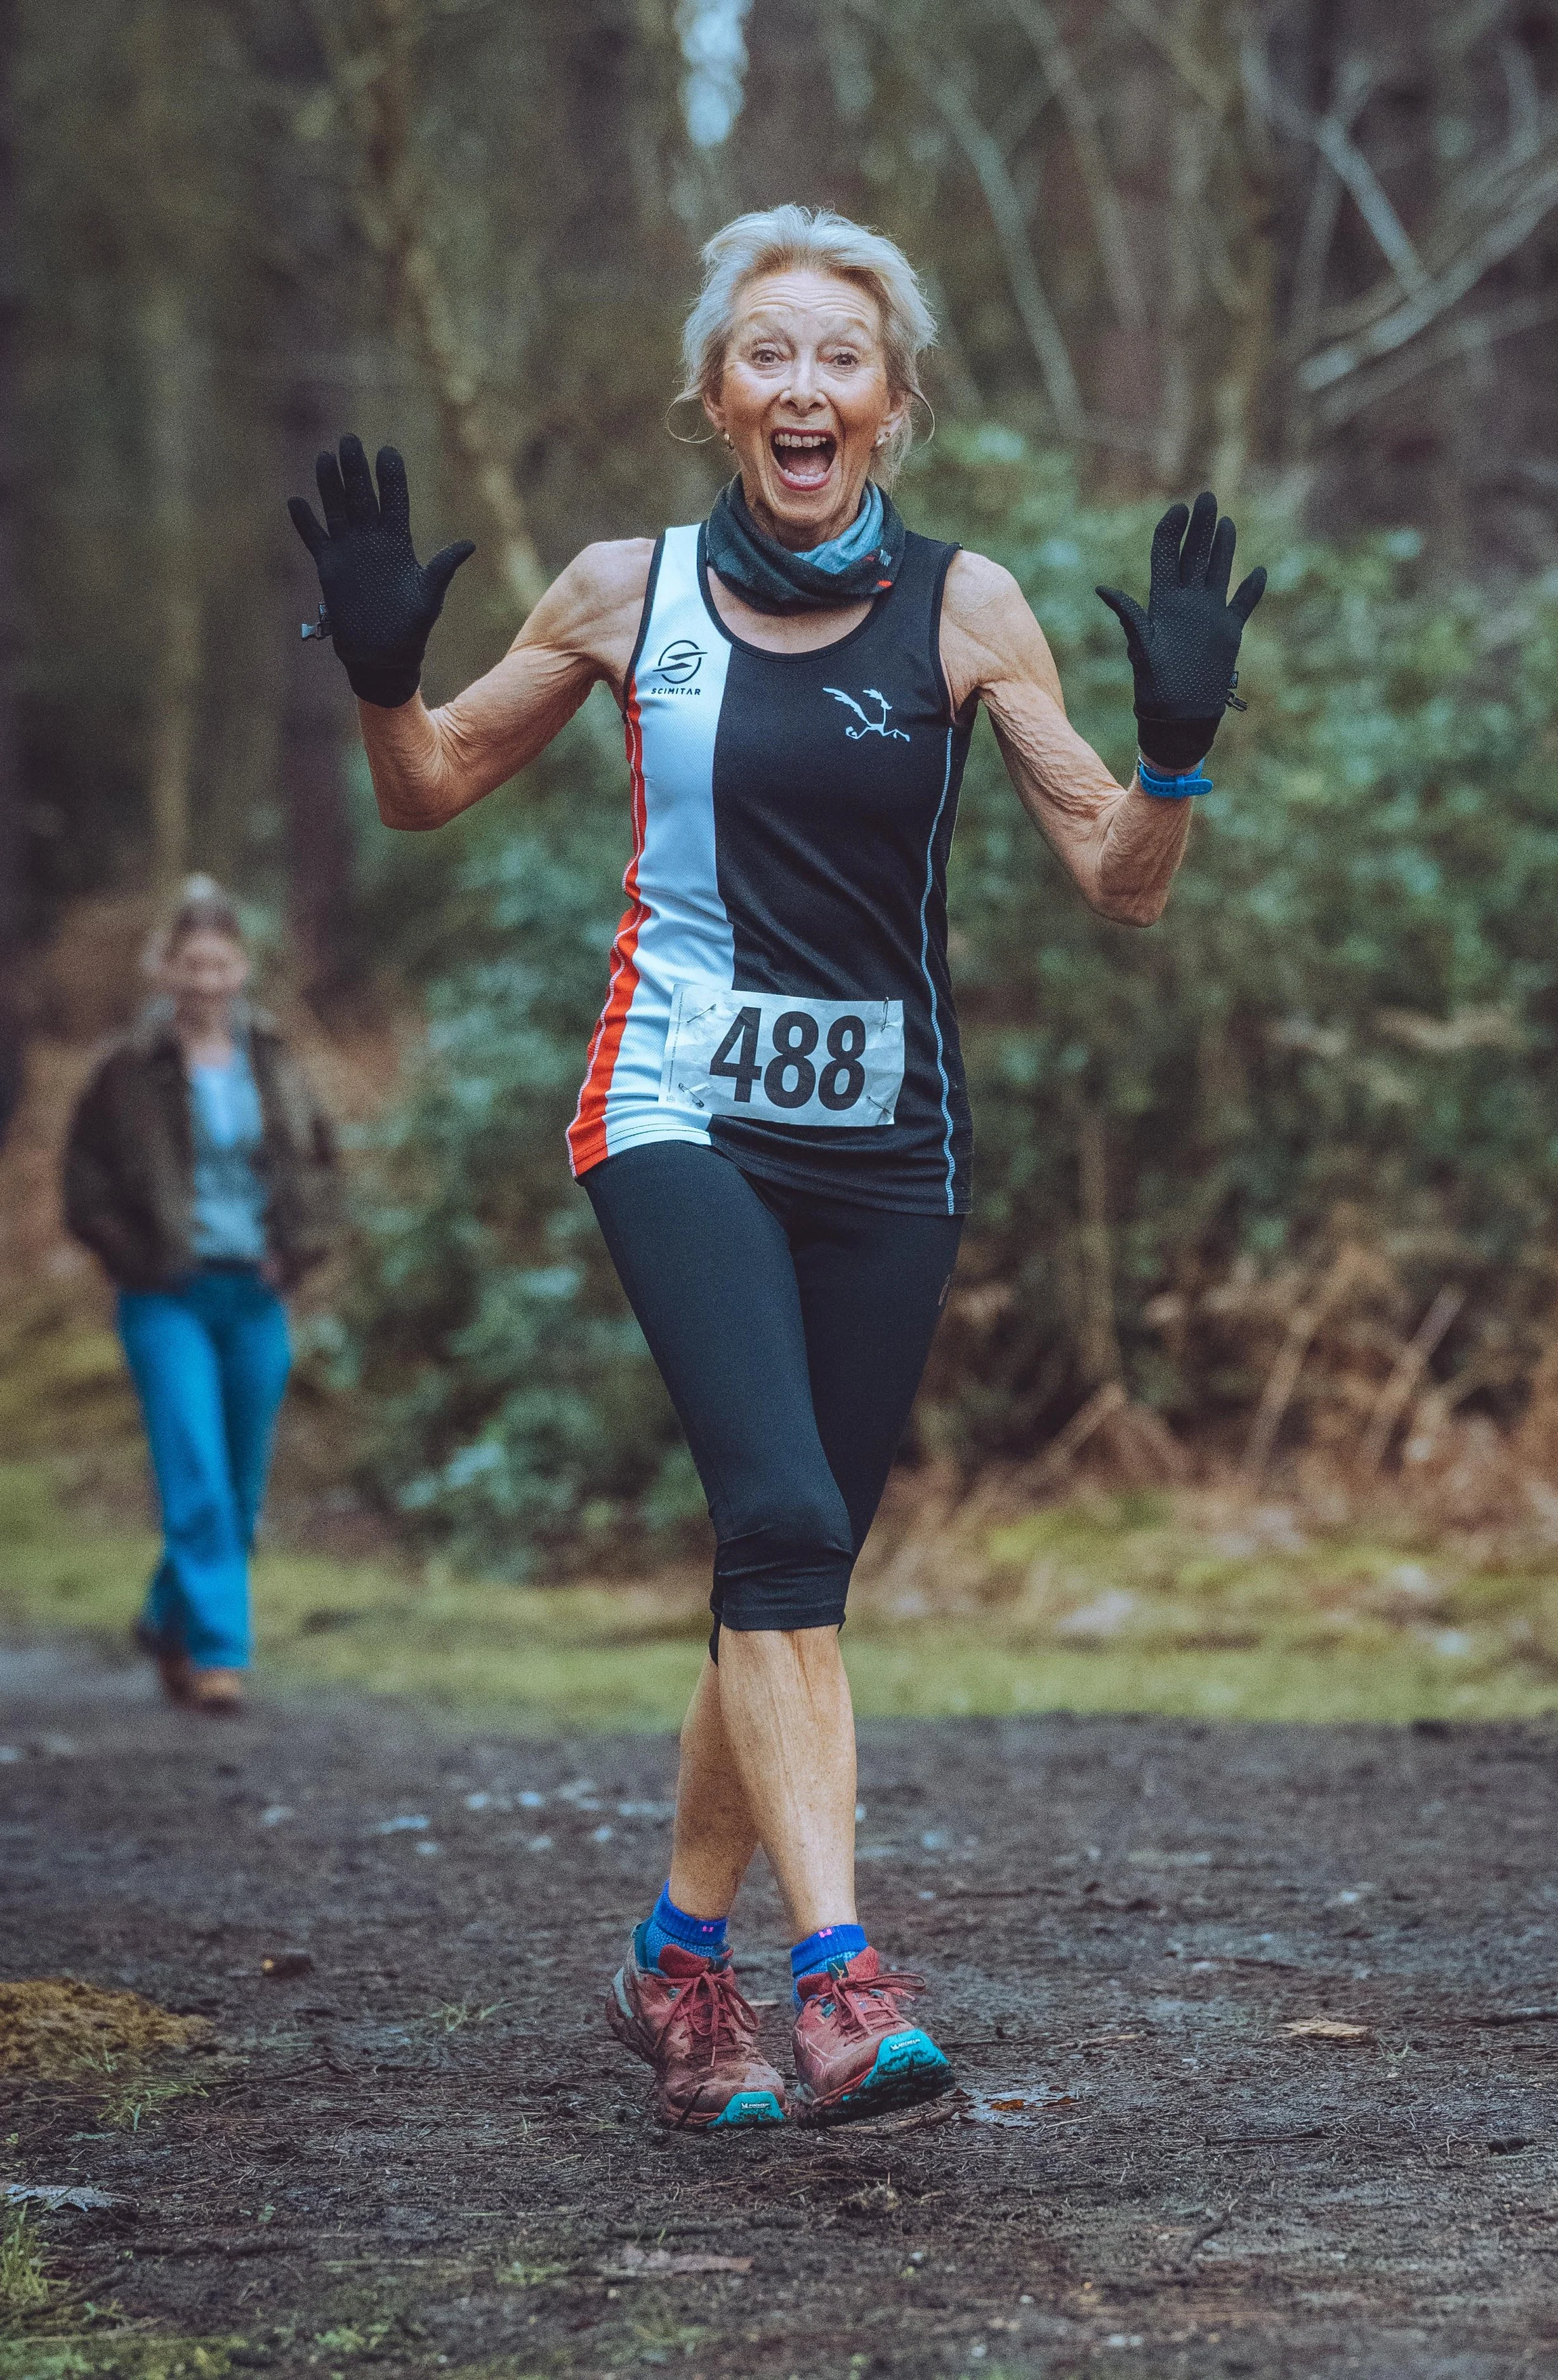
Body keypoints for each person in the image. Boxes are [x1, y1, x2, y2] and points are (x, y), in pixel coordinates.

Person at [288, 204, 1265, 2127]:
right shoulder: (616, 590)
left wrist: (1168, 757)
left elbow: (1119, 892)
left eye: (839, 357)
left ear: (891, 405)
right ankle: (836, 1978)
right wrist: (384, 686)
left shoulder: (966, 608)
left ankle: (673, 1955)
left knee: (783, 1563)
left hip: (891, 1140)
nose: (800, 385)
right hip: (675, 1108)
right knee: (785, 1522)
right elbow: (424, 792)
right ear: (715, 395)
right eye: (766, 353)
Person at [63, 876, 340, 1715]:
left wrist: (301, 1250)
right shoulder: (124, 1070)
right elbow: (86, 1184)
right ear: (165, 970)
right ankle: (221, 1652)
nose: (206, 979)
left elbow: (321, 1159)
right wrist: (136, 1258)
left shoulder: (276, 1055)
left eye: (220, 963)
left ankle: (164, 1617)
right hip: (167, 1298)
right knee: (197, 1475)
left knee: (242, 1487)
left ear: (241, 968)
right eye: (191, 964)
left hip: (256, 1295)